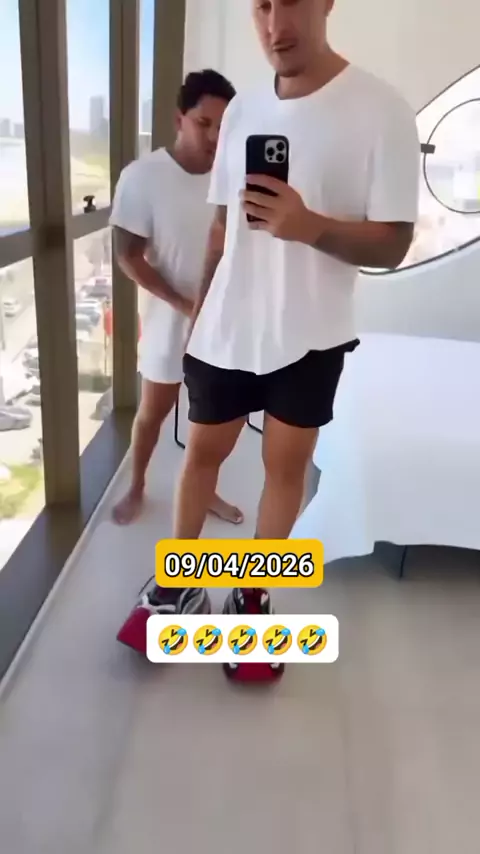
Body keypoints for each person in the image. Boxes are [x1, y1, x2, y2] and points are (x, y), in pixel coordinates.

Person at [118, 0, 419, 640]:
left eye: (292, 2)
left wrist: (309, 226)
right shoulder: (244, 111)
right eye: (261, 6)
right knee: (201, 458)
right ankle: (178, 585)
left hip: (312, 335)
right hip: (227, 325)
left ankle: (252, 596)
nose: (276, 27)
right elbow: (222, 227)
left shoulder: (382, 109)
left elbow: (393, 243)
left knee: (284, 471)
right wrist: (200, 314)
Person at [109, 69, 243, 527]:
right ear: (178, 119)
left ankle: (205, 490)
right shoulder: (142, 177)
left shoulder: (233, 179)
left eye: (223, 127)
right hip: (169, 321)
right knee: (152, 414)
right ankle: (137, 486)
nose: (214, 137)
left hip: (223, 322)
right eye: (204, 123)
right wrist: (186, 306)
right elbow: (128, 256)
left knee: (213, 423)